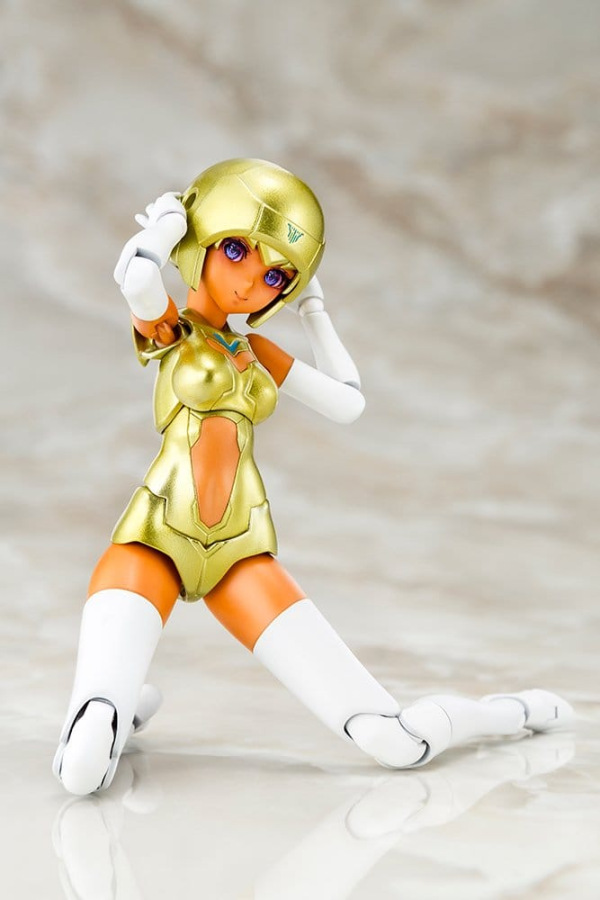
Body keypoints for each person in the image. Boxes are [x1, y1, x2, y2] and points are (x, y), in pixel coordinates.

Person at [53, 159, 573, 796]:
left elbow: (347, 401)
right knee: (83, 769)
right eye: (238, 250)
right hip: (153, 540)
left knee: (396, 742)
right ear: (202, 241)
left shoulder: (254, 351)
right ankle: (117, 706)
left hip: (239, 552)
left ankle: (503, 713)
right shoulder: (173, 330)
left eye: (276, 275)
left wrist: (314, 309)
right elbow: (135, 276)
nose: (252, 282)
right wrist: (168, 224)